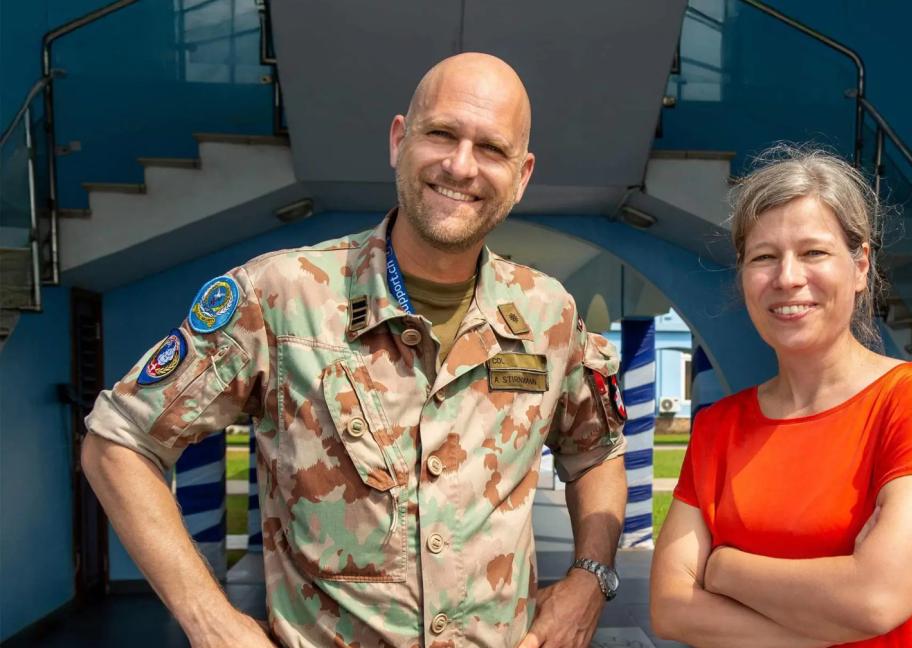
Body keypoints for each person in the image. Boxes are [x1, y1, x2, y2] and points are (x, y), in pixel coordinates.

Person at [82, 52, 628, 648]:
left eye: (491, 149)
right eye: (441, 133)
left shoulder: (549, 314)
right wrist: (210, 621)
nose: (461, 165)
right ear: (399, 140)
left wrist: (590, 577)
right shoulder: (279, 297)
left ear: (522, 175)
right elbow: (120, 440)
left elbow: (595, 452)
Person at [650, 146, 912, 647]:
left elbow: (876, 598)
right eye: (764, 257)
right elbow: (670, 608)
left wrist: (724, 569)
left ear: (860, 264)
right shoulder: (720, 426)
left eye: (813, 252)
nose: (787, 278)